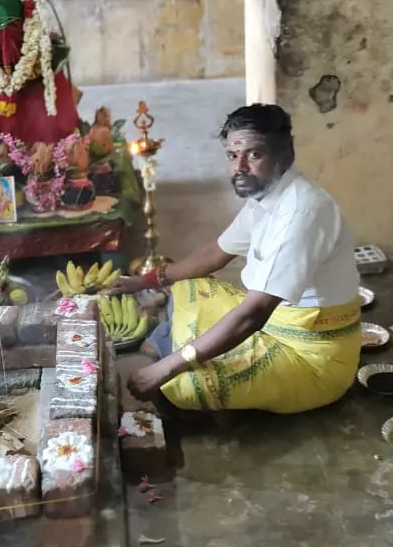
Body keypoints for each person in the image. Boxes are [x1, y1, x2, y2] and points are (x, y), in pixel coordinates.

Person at [110, 104, 361, 415]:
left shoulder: (301, 212)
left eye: (253, 155)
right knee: (186, 285)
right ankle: (170, 346)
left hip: (310, 357)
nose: (239, 166)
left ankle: (167, 354)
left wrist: (167, 369)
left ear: (284, 155)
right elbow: (216, 252)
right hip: (274, 322)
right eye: (232, 155)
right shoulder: (269, 193)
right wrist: (143, 280)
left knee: (182, 386)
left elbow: (254, 313)